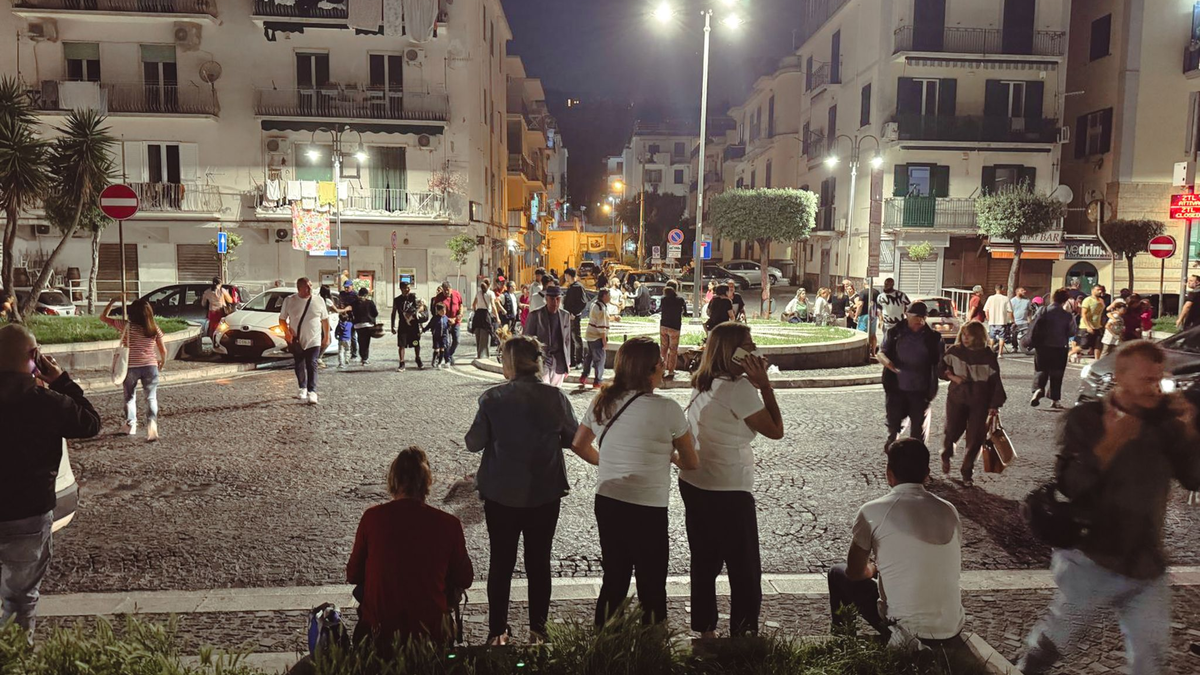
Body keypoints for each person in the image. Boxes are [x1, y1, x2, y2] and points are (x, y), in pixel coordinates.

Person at [1018, 341, 1200, 675]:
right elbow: (1070, 485)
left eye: (1160, 378)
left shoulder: (1166, 424)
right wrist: (1111, 442)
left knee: (1151, 658)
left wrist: (1190, 431)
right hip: (1091, 560)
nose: (1156, 387)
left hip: (1146, 565)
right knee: (1056, 641)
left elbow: (1193, 479)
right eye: (1147, 379)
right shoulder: (1086, 419)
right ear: (1120, 378)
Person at [570, 337, 699, 627]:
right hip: (648, 505)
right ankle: (651, 651)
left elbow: (578, 444)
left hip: (609, 500)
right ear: (652, 368)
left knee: (614, 576)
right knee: (651, 581)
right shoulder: (668, 409)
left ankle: (604, 648)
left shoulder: (602, 400)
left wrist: (609, 461)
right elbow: (691, 462)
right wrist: (671, 456)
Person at [465, 336, 579, 645]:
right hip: (544, 491)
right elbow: (572, 438)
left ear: (511, 363)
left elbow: (473, 442)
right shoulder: (556, 399)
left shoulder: (492, 399)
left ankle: (497, 631)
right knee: (539, 563)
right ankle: (538, 631)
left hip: (501, 493)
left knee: (501, 563)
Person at [680, 323, 784, 638]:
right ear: (734, 352)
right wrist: (764, 385)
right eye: (749, 343)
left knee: (704, 561)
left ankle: (704, 627)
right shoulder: (739, 389)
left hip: (695, 481)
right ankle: (743, 633)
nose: (755, 348)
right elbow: (776, 430)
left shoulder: (703, 381)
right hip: (728, 488)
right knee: (744, 568)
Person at [0, 325, 100, 638]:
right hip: (28, 513)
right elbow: (90, 423)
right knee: (21, 595)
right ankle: (15, 658)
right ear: (34, 357)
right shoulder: (47, 401)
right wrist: (60, 381)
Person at [827, 438, 965, 651]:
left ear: (888, 472)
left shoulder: (872, 511)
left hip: (906, 630)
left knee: (837, 573)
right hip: (950, 628)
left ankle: (843, 643)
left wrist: (874, 567)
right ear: (927, 473)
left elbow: (855, 572)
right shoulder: (949, 510)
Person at [347, 446, 474, 653]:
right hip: (430, 632)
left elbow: (353, 574)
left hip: (380, 631)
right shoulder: (448, 524)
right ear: (427, 482)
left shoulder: (372, 518)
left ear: (393, 480)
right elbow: (465, 578)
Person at [939, 321, 1006, 487]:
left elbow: (995, 381)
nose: (965, 337)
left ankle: (967, 471)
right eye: (963, 334)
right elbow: (940, 369)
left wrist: (994, 405)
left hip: (980, 401)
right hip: (957, 398)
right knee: (952, 431)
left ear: (978, 336)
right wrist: (953, 377)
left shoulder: (987, 355)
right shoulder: (954, 351)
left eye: (969, 334)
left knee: (976, 437)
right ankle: (946, 453)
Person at [879, 302, 944, 448]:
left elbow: (940, 362)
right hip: (897, 389)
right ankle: (893, 462)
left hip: (921, 391)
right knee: (893, 430)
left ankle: (917, 465)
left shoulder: (934, 337)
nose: (920, 320)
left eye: (923, 317)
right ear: (906, 314)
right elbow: (881, 352)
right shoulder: (894, 333)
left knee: (918, 437)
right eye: (916, 316)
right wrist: (888, 364)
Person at [102, 297, 167, 440]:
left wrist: (112, 303)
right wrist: (162, 361)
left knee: (130, 397)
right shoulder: (154, 328)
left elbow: (103, 318)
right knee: (151, 398)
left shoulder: (126, 326)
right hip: (150, 366)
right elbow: (163, 350)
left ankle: (131, 425)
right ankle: (152, 426)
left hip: (130, 367)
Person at [279, 277, 331, 405]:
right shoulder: (290, 301)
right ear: (299, 288)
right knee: (299, 363)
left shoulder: (319, 301)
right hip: (296, 338)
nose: (310, 289)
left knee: (312, 363)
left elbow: (325, 319)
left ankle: (312, 391)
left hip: (314, 338)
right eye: (306, 287)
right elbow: (282, 319)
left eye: (311, 286)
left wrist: (326, 336)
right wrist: (286, 332)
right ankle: (302, 387)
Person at [1030, 288, 1077, 410]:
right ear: (1065, 300)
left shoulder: (1043, 310)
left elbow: (1033, 323)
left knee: (1041, 370)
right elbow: (1072, 331)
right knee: (1057, 374)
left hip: (1042, 347)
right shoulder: (1067, 315)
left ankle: (1038, 389)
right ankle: (1055, 400)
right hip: (1060, 347)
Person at [523, 284, 572, 386]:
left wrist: (567, 361)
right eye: (552, 299)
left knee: (556, 392)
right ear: (546, 299)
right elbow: (527, 340)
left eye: (558, 299)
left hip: (558, 360)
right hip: (542, 359)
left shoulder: (564, 315)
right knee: (543, 390)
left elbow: (567, 340)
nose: (555, 302)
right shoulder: (535, 315)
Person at [580, 288, 612, 389]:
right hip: (597, 337)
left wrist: (613, 318)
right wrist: (604, 342)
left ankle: (584, 376)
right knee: (599, 359)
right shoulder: (601, 308)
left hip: (590, 335)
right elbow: (601, 327)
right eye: (609, 295)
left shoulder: (595, 304)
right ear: (604, 296)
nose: (610, 297)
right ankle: (598, 381)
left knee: (589, 357)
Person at [391, 282, 424, 370]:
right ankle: (402, 362)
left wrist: (417, 313)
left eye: (409, 287)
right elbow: (393, 312)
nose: (408, 289)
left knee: (416, 342)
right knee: (401, 344)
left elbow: (421, 306)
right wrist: (392, 326)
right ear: (401, 289)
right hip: (403, 324)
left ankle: (418, 358)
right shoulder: (397, 300)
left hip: (413, 324)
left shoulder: (413, 297)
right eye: (406, 288)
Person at [658, 280, 686, 380]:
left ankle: (661, 370)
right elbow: (685, 312)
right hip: (675, 327)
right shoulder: (680, 300)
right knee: (673, 350)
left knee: (663, 349)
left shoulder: (663, 299)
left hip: (664, 326)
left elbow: (660, 309)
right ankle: (670, 371)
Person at [1071, 284, 1106, 363]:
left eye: (1100, 290)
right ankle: (1070, 354)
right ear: (1092, 290)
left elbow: (1102, 313)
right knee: (1084, 345)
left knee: (1098, 345)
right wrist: (1088, 326)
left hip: (1098, 326)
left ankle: (1097, 361)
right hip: (1086, 326)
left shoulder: (1101, 300)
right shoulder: (1087, 300)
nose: (1100, 291)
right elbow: (1083, 314)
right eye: (1098, 290)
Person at [434, 282, 464, 366]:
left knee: (457, 340)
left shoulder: (457, 294)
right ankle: (447, 357)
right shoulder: (439, 297)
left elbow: (461, 305)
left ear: (451, 289)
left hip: (456, 321)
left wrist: (460, 315)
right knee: (446, 342)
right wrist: (447, 319)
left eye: (448, 290)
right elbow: (437, 311)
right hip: (444, 322)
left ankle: (449, 354)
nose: (446, 292)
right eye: (444, 290)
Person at [562, 268, 587, 367]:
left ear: (568, 275)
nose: (565, 278)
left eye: (566, 275)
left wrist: (575, 313)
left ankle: (579, 360)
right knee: (570, 339)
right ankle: (572, 360)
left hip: (574, 317)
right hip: (568, 316)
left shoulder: (578, 287)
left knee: (576, 338)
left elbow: (583, 302)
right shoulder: (571, 287)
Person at [982, 284, 1013, 356]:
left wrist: (988, 318)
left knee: (992, 337)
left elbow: (986, 310)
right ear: (1002, 289)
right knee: (1002, 338)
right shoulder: (1006, 298)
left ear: (995, 289)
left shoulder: (990, 298)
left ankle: (990, 352)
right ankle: (1000, 353)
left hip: (992, 321)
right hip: (1002, 322)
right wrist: (1011, 320)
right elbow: (1010, 311)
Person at [350, 287, 378, 367]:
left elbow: (352, 313)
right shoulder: (370, 302)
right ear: (366, 295)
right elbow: (375, 313)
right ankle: (365, 359)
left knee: (360, 341)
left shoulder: (354, 303)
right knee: (366, 342)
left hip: (358, 325)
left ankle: (362, 357)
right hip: (368, 324)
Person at [472, 280, 497, 359]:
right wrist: (497, 317)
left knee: (478, 335)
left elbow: (474, 304)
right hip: (485, 315)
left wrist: (476, 311)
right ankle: (484, 355)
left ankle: (479, 354)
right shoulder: (491, 293)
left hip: (478, 315)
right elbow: (493, 305)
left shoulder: (478, 293)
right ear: (489, 284)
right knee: (485, 335)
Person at [201, 276, 232, 341]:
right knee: (221, 327)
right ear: (220, 283)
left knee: (212, 328)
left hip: (212, 312)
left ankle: (212, 340)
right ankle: (220, 341)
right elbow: (230, 300)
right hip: (221, 312)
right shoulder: (222, 290)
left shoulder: (207, 292)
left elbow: (203, 303)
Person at [423, 303, 451, 368]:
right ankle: (434, 360)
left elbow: (448, 326)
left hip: (444, 336)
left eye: (444, 310)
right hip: (436, 336)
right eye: (441, 311)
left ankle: (439, 363)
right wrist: (424, 330)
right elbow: (429, 325)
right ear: (437, 311)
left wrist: (450, 325)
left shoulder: (446, 318)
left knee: (442, 349)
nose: (443, 312)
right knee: (437, 349)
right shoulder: (435, 318)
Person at [338, 280, 359, 361]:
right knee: (343, 335)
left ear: (352, 286)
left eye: (348, 287)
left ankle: (354, 354)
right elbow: (339, 303)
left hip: (352, 318)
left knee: (353, 336)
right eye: (345, 287)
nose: (346, 289)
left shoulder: (355, 295)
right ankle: (345, 353)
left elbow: (357, 306)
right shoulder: (342, 294)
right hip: (343, 317)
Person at [1009, 287, 1032, 351]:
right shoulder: (1012, 301)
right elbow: (1010, 311)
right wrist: (1012, 321)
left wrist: (1029, 319)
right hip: (1016, 321)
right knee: (1014, 335)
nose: (1024, 291)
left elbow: (1029, 310)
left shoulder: (1027, 300)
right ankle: (1014, 347)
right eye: (1022, 290)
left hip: (1024, 321)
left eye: (1024, 290)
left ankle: (1027, 347)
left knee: (1028, 335)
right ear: (1017, 292)